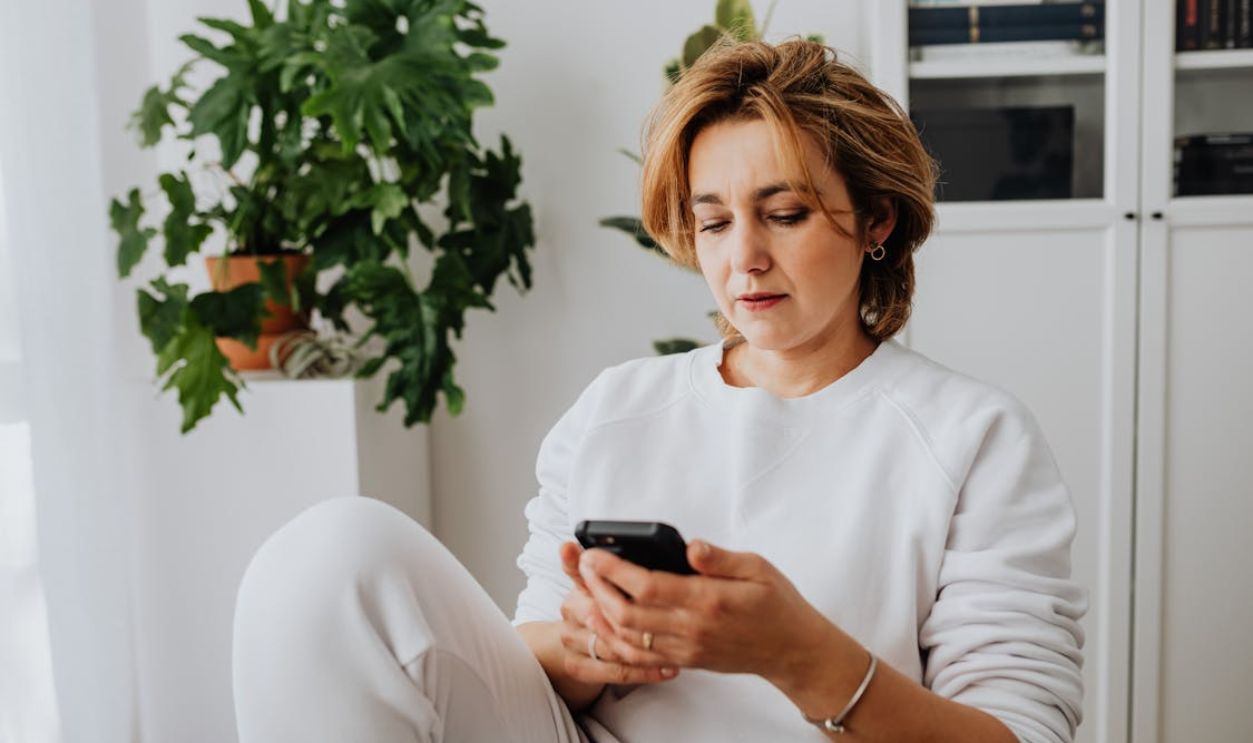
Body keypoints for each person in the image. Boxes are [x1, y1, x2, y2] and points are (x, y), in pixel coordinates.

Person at [232, 38, 1087, 743]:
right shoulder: (616, 405)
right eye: (713, 221)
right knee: (332, 552)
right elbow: (527, 645)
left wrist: (798, 656)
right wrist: (585, 646)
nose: (741, 256)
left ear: (877, 221)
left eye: (783, 213)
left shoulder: (973, 434)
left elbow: (1021, 732)